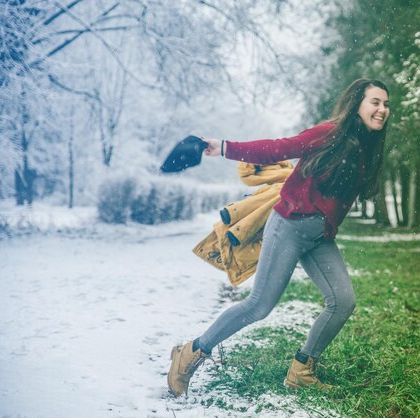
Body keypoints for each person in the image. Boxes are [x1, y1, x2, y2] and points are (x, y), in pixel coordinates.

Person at [167, 78, 391, 396]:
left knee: (343, 301)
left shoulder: (367, 146)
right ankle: (190, 353)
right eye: (375, 102)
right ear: (357, 104)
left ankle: (302, 370)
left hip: (319, 237)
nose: (382, 109)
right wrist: (223, 147)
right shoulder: (331, 133)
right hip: (288, 226)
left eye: (385, 104)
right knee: (258, 306)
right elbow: (279, 147)